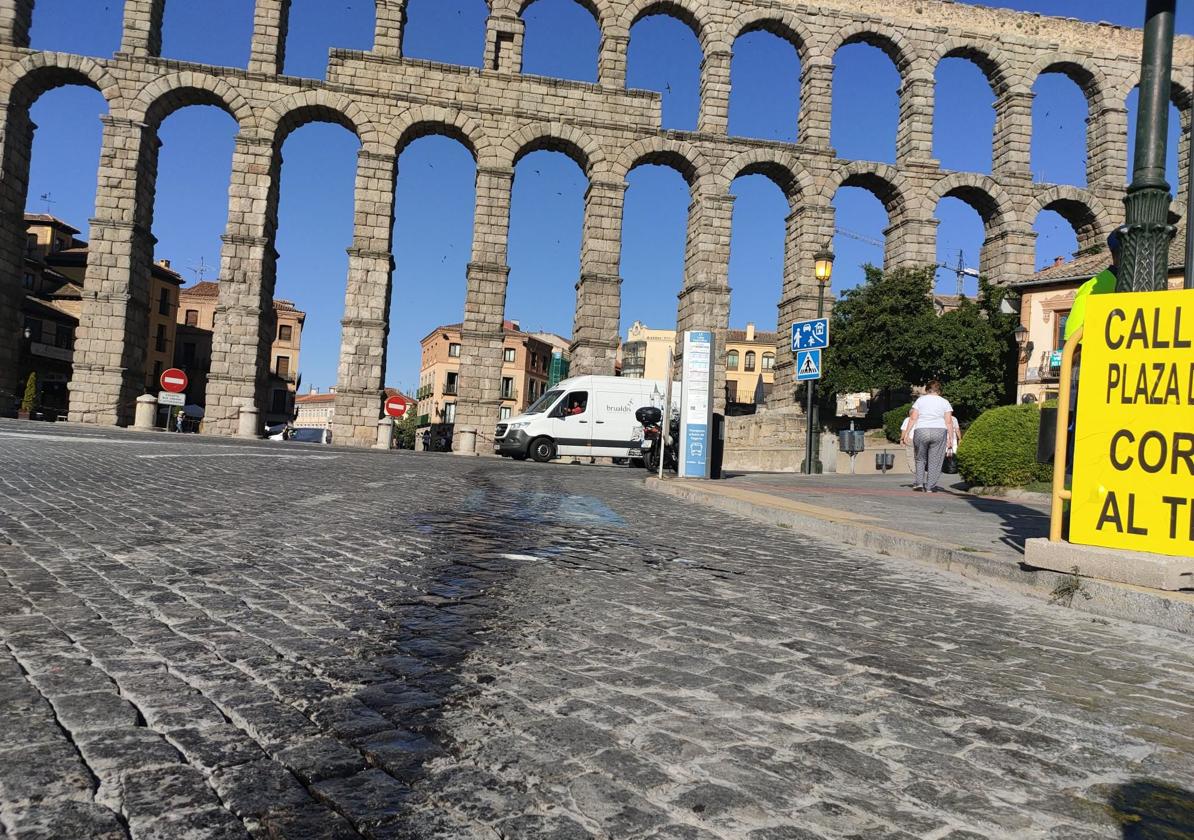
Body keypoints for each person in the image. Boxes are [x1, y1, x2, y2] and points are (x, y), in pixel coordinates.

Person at [901, 381, 956, 493]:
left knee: (920, 458)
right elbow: (949, 421)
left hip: (921, 430)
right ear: (939, 391)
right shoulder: (945, 402)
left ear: (927, 390)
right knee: (935, 460)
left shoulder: (920, 400)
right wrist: (951, 438)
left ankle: (919, 483)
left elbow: (913, 417)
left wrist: (906, 433)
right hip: (939, 431)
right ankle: (930, 486)